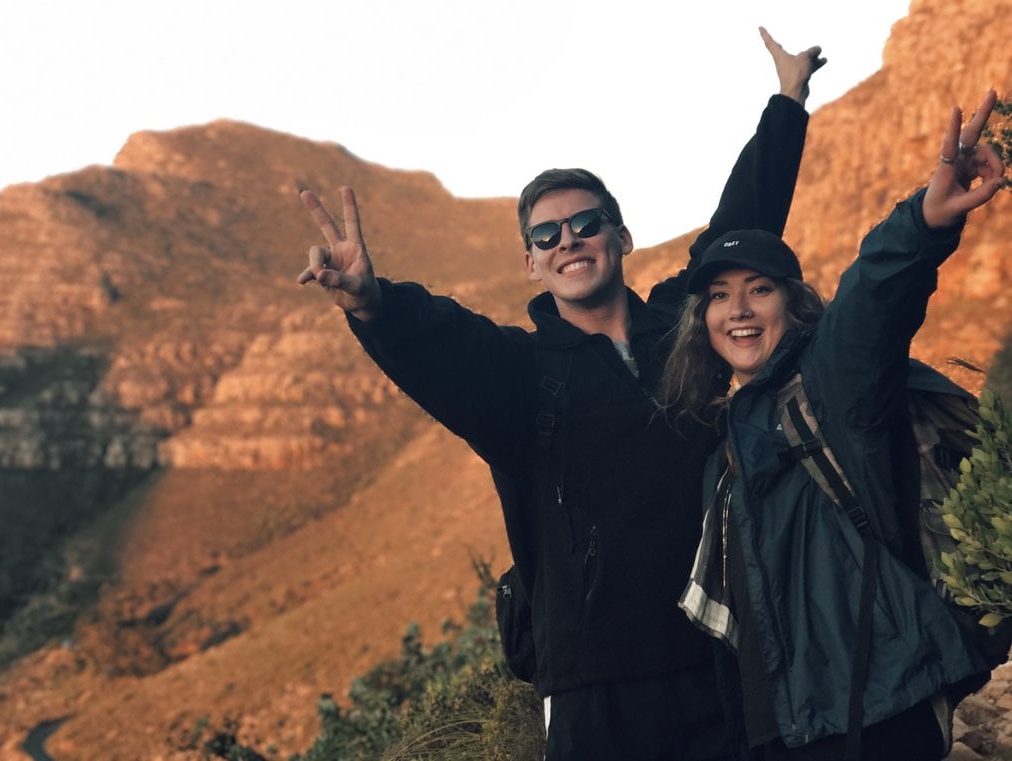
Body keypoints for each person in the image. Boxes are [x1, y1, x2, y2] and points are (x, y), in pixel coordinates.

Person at [297, 29, 824, 761]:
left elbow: (741, 224)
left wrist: (787, 100)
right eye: (547, 235)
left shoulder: (680, 325)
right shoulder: (519, 375)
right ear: (531, 263)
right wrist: (372, 302)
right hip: (594, 692)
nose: (568, 240)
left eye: (585, 224)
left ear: (621, 236)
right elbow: (441, 340)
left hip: (720, 660)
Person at [666, 91, 1006, 761]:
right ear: (701, 322)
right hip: (788, 731)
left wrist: (925, 220)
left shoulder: (831, 382)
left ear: (791, 303)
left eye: (758, 288)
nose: (737, 309)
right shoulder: (723, 451)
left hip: (879, 713)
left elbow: (872, 298)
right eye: (718, 295)